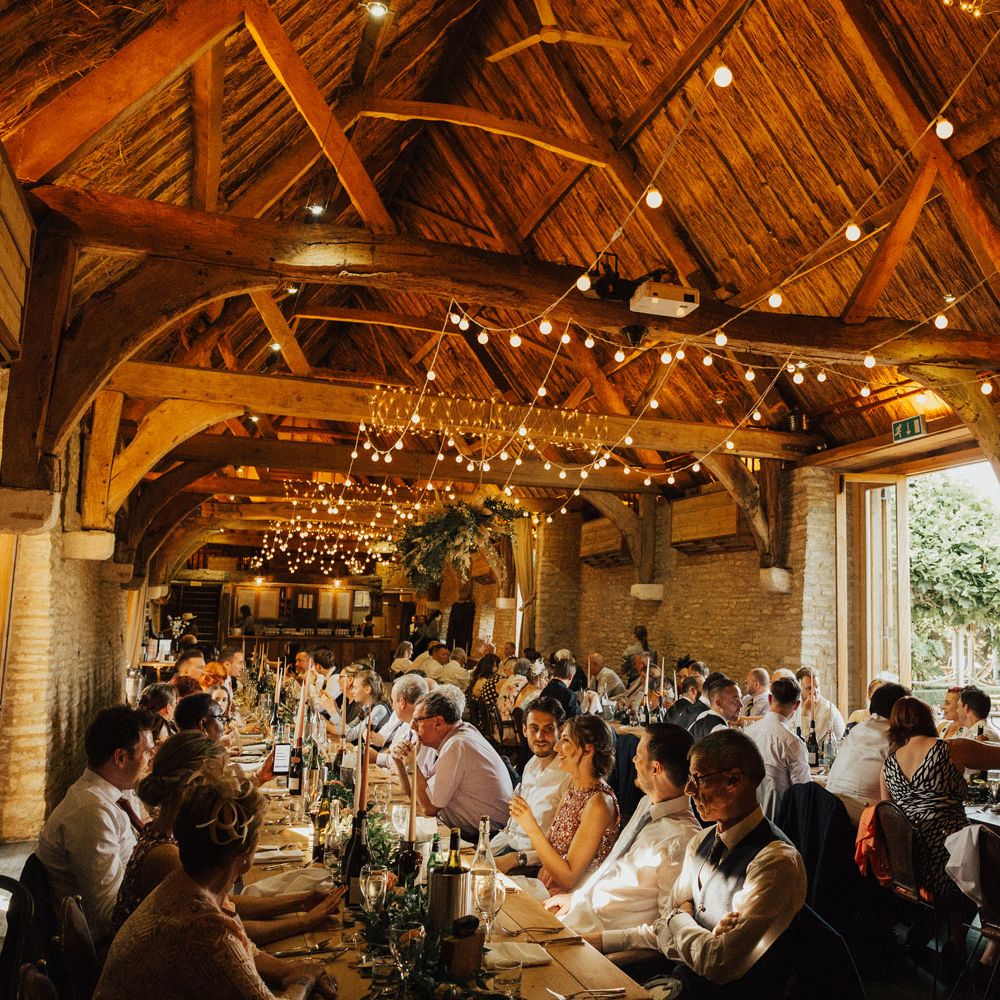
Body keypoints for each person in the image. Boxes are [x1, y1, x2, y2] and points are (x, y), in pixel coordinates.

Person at [94, 760, 339, 1000]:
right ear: (246, 853)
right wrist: (305, 978)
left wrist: (291, 971)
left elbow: (245, 950)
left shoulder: (186, 884)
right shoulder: (203, 928)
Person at [111, 732, 341, 941]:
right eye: (222, 775)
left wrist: (300, 901)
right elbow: (224, 930)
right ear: (193, 785)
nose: (226, 784)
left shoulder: (166, 831)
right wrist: (304, 922)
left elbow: (223, 904)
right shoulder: (167, 856)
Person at [644, 730, 807, 997]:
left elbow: (719, 965)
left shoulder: (775, 862)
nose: (688, 789)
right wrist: (695, 932)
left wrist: (681, 917)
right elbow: (662, 928)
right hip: (682, 984)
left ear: (734, 779)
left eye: (698, 779)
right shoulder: (701, 841)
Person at [553, 723, 701, 948]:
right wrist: (578, 897)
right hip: (582, 911)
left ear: (655, 769)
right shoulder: (647, 804)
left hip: (600, 935)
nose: (633, 761)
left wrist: (601, 944)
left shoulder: (681, 839)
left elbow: (668, 932)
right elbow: (613, 865)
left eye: (638, 755)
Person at [880, 696, 1000, 962]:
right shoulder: (950, 748)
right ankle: (984, 951)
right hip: (950, 863)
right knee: (984, 862)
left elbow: (888, 813)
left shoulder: (888, 764)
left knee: (968, 857)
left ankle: (955, 942)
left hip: (910, 865)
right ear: (927, 719)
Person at [36, 706, 154, 942]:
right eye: (147, 753)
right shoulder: (92, 812)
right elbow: (107, 913)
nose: (151, 760)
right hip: (104, 946)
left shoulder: (118, 792)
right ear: (120, 758)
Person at [508, 714, 620, 893]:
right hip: (544, 885)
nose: (557, 746)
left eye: (565, 740)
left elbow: (569, 879)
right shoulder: (573, 787)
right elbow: (551, 849)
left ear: (587, 750)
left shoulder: (599, 803)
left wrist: (530, 826)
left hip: (574, 900)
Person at [393, 685, 513, 835]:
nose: (412, 726)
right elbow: (414, 796)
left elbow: (429, 808)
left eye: (418, 720)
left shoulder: (457, 745)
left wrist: (412, 765)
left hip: (485, 837)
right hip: (469, 831)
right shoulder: (452, 737)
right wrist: (400, 763)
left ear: (438, 722)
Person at [493, 698, 571, 865]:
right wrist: (486, 852)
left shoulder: (569, 775)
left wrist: (514, 860)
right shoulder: (532, 764)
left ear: (561, 730)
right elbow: (511, 829)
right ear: (524, 730)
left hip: (531, 863)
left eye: (548, 729)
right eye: (534, 728)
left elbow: (560, 849)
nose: (540, 736)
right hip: (508, 848)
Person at [826, 682, 908, 818]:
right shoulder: (895, 738)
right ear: (900, 710)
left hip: (827, 808)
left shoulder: (857, 729)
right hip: (862, 819)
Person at [744, 676, 811, 799]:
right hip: (780, 812)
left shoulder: (747, 733)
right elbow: (804, 789)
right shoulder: (792, 742)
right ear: (796, 705)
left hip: (750, 806)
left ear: (770, 699)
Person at [367, 674, 436, 772]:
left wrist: (377, 757)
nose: (392, 707)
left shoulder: (425, 729)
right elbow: (396, 757)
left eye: (393, 701)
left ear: (402, 702)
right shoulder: (407, 722)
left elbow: (413, 769)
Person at [793, 667, 845, 741]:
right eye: (809, 688)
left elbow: (808, 742)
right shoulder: (797, 704)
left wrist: (804, 710)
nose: (815, 691)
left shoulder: (827, 709)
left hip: (832, 751)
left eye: (817, 687)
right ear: (799, 688)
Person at [688, 676, 742, 741]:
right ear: (719, 703)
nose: (741, 705)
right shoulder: (721, 731)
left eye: (740, 699)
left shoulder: (696, 723)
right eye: (735, 700)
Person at [343, 668, 390, 742]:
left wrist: (333, 710)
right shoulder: (365, 707)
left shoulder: (380, 709)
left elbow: (348, 736)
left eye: (355, 688)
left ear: (368, 689)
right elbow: (348, 728)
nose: (352, 691)